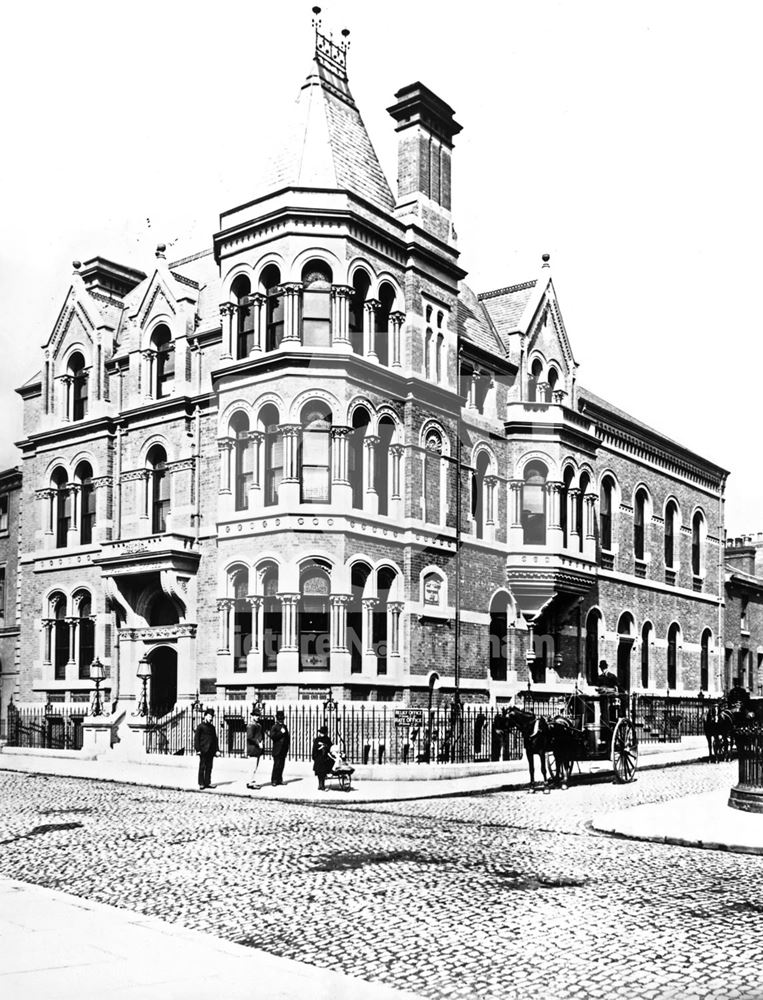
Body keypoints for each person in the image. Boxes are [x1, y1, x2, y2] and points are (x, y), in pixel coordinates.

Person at [194, 708, 218, 790]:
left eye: (212, 716)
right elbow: (196, 739)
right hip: (203, 750)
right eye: (209, 716)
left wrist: (217, 750)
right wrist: (198, 750)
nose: (210, 718)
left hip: (211, 750)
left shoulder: (212, 727)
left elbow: (215, 739)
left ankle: (207, 782)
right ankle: (201, 783)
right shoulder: (200, 726)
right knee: (202, 767)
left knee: (209, 767)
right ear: (205, 716)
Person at [269, 709, 290, 786]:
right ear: (277, 719)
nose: (281, 720)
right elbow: (273, 736)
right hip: (277, 750)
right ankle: (274, 780)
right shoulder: (274, 726)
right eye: (280, 719)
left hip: (283, 750)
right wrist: (281, 732)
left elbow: (287, 738)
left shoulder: (284, 726)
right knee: (276, 765)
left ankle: (279, 779)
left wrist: (287, 747)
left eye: (282, 719)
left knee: (281, 765)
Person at [245, 710, 265, 789]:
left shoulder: (258, 725)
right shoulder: (251, 725)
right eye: (255, 716)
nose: (257, 717)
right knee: (252, 767)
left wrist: (261, 742)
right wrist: (258, 743)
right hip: (253, 748)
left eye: (258, 716)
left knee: (254, 766)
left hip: (257, 748)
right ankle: (251, 782)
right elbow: (250, 737)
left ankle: (250, 781)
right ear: (252, 716)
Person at [311, 724, 333, 791]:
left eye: (323, 733)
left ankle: (322, 784)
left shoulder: (327, 739)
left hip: (325, 758)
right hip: (318, 757)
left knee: (323, 772)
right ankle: (320, 784)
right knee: (318, 772)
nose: (321, 734)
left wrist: (326, 746)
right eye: (321, 732)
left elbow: (330, 747)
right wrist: (314, 756)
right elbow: (314, 748)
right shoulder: (317, 739)